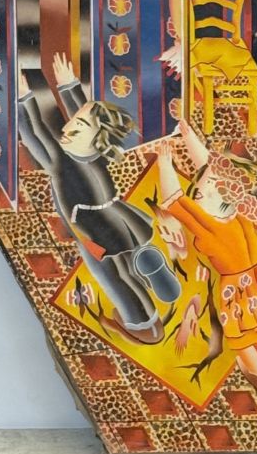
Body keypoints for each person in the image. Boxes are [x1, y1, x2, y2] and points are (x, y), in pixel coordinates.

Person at [17, 53, 175, 344]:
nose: (67, 129)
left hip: (92, 227)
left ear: (92, 137)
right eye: (71, 124)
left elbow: (35, 134)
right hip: (119, 217)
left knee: (111, 275)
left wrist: (23, 99)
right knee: (125, 267)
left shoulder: (60, 162)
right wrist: (69, 87)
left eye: (76, 129)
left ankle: (143, 325)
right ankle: (146, 275)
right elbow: (88, 117)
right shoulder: (98, 148)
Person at [156, 119, 257, 392]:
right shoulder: (237, 212)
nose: (205, 189)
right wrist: (187, 136)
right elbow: (210, 169)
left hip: (237, 288)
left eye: (204, 192)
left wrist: (165, 162)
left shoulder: (211, 224)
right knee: (253, 330)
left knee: (241, 338)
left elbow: (175, 199)